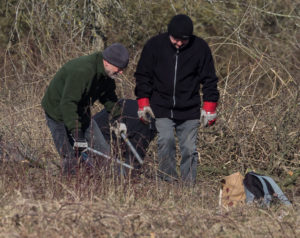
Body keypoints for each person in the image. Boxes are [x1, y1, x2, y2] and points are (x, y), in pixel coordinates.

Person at [134, 14, 220, 183]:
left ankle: (188, 186)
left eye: (184, 40)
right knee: (166, 141)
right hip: (161, 106)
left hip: (189, 108)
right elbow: (143, 75)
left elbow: (209, 79)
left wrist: (210, 108)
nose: (179, 43)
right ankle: (168, 181)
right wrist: (143, 102)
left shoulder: (200, 48)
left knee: (189, 149)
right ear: (169, 34)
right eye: (176, 39)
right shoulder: (154, 45)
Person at [42, 43, 129, 175]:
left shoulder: (107, 76)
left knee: (104, 152)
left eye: (123, 68)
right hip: (57, 112)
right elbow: (68, 103)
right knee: (70, 157)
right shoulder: (83, 71)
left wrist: (118, 119)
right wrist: (78, 134)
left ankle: (107, 182)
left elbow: (109, 97)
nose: (121, 72)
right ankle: (71, 187)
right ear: (107, 62)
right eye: (119, 68)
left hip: (81, 111)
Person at [93, 99, 156, 173]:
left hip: (91, 128)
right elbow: (135, 155)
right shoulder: (146, 122)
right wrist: (134, 171)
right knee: (115, 171)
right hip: (99, 139)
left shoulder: (137, 105)